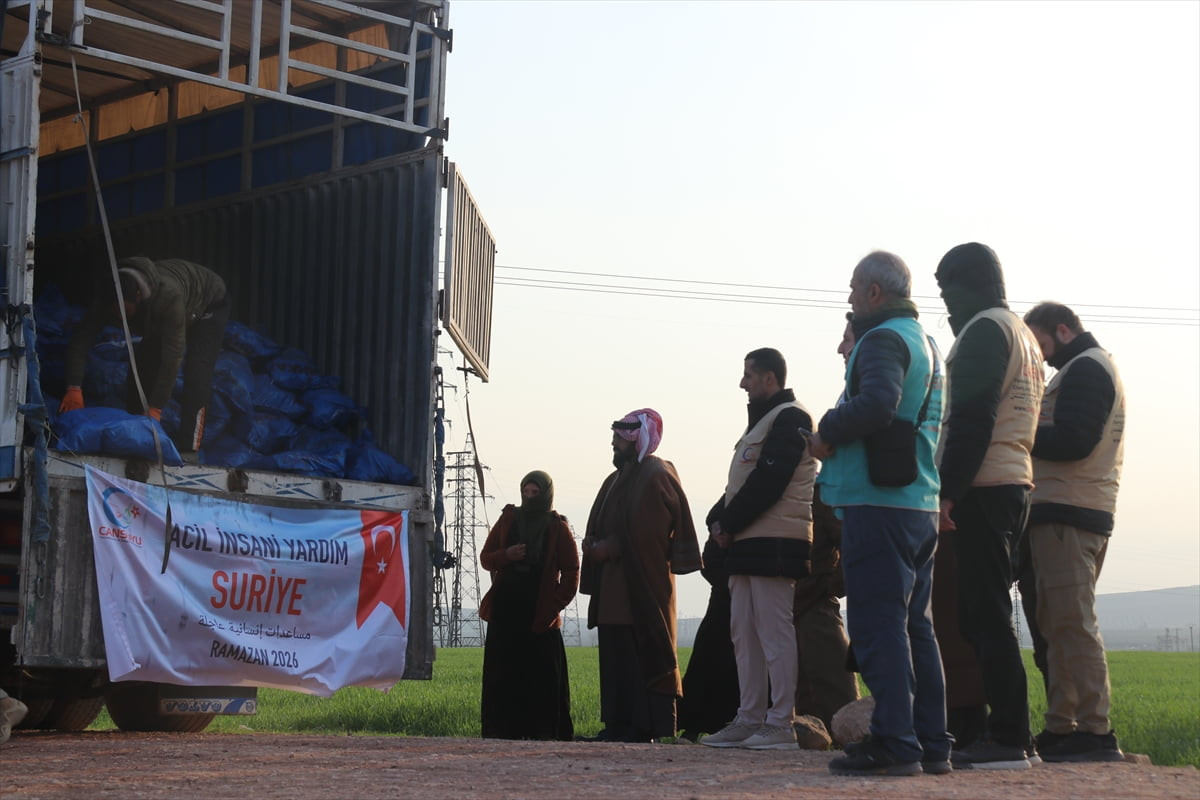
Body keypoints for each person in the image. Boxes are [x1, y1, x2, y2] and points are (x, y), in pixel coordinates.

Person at [810, 250, 949, 777]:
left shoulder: (882, 339)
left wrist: (825, 432)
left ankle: (895, 742)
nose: (847, 298)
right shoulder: (927, 343)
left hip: (879, 502)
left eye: (852, 288)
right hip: (919, 501)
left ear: (873, 292)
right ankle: (931, 742)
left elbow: (877, 404)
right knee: (916, 627)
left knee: (879, 625)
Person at [934, 242, 1044, 770]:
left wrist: (947, 491)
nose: (946, 305)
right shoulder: (1022, 334)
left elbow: (973, 419)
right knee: (986, 612)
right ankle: (1009, 734)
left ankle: (1009, 737)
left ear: (968, 283)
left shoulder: (983, 330)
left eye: (945, 290)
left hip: (984, 486)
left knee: (986, 615)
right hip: (1014, 481)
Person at [1019, 302, 1126, 763]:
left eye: (1040, 343)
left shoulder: (1086, 369)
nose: (1039, 357)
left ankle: (1094, 730)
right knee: (1056, 623)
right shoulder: (1087, 368)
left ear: (1062, 330)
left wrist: (1020, 431)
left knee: (1071, 623)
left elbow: (1076, 440)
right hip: (1069, 510)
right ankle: (1063, 726)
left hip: (1071, 511)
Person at [701, 348, 814, 751]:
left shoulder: (791, 418)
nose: (742, 383)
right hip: (748, 542)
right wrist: (719, 521)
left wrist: (727, 525)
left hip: (776, 542)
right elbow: (740, 487)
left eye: (748, 375)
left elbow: (769, 482)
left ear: (769, 379)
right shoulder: (763, 423)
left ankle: (780, 723)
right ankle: (749, 718)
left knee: (773, 632)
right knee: (742, 634)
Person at [579, 408, 702, 743]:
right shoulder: (618, 478)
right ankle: (617, 726)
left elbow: (650, 534)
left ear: (638, 439)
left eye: (620, 438)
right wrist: (592, 544)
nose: (614, 443)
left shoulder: (656, 474)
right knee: (616, 660)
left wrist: (609, 548)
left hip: (642, 590)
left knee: (643, 659)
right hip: (614, 590)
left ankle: (643, 729)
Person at [61, 256, 230, 453]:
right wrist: (74, 387)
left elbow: (172, 358)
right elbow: (81, 341)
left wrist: (156, 408)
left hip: (207, 302)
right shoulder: (107, 298)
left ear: (138, 295)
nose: (119, 315)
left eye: (124, 310)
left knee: (197, 371)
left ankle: (188, 450)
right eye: (115, 310)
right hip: (157, 317)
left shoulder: (168, 297)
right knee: (141, 367)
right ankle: (135, 433)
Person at [792, 319, 859, 731]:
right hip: (796, 600)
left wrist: (829, 582)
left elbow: (844, 535)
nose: (839, 348)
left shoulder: (822, 490)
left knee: (835, 680)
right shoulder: (796, 489)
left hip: (817, 599)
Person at [478, 470, 579, 741]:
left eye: (535, 493)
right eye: (526, 492)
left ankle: (543, 734)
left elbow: (572, 571)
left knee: (542, 679)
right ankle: (501, 733)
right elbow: (486, 558)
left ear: (546, 494)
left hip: (539, 616)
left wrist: (554, 605)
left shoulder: (557, 527)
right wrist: (506, 555)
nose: (530, 498)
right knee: (503, 676)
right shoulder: (509, 518)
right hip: (506, 610)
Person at [675, 538, 740, 742]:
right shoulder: (722, 515)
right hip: (722, 602)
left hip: (749, 597)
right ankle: (693, 726)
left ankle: (736, 725)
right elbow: (708, 560)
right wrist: (726, 581)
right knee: (706, 662)